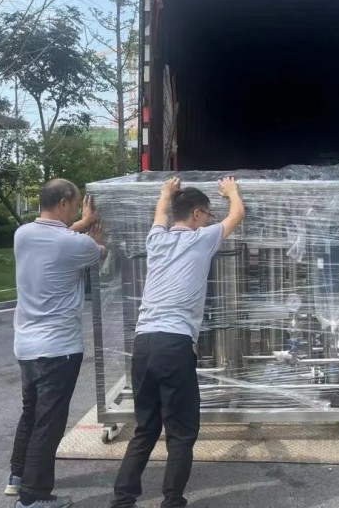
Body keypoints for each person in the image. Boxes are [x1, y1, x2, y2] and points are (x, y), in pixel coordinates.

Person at [110, 176, 245, 508]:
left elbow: (160, 214)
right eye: (208, 214)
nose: (211, 220)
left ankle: (123, 500)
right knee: (181, 431)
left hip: (143, 344)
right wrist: (232, 192)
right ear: (197, 214)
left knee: (145, 427)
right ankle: (172, 501)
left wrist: (165, 193)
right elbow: (238, 215)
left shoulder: (157, 239)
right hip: (175, 345)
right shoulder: (202, 239)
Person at [6, 179, 107, 508]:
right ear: (63, 202)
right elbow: (98, 251)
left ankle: (18, 476)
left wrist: (84, 222)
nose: (77, 211)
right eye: (76, 205)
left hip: (26, 346)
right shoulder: (76, 245)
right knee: (48, 423)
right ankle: (33, 498)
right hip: (59, 349)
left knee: (31, 414)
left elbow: (61, 237)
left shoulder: (22, 234)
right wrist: (95, 232)